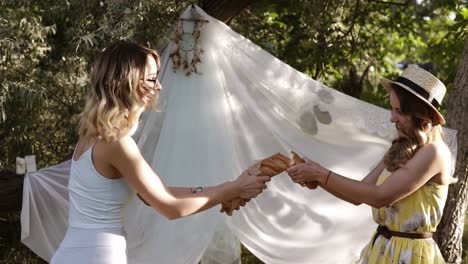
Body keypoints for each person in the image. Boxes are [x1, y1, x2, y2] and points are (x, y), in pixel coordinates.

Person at [50, 41, 270, 264]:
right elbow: (169, 206)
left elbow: (154, 194)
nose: (159, 87)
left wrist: (231, 188)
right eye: (152, 79)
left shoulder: (91, 134)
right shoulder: (116, 142)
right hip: (97, 256)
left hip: (73, 251)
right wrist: (232, 189)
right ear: (128, 82)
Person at [287, 64, 452, 263]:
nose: (392, 118)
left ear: (420, 115)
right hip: (383, 249)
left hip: (411, 255)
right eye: (392, 109)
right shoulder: (401, 148)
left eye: (399, 111)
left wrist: (321, 174)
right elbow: (361, 193)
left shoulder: (434, 152)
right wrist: (315, 176)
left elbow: (379, 197)